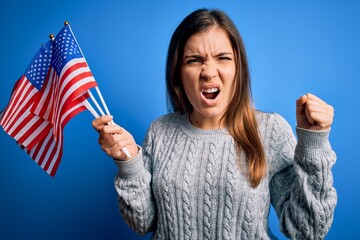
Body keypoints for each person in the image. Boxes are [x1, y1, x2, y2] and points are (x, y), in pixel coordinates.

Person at [92, 8, 337, 240]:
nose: (208, 72)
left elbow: (308, 231)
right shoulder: (160, 131)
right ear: (178, 72)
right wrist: (129, 162)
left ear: (237, 68)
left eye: (222, 58)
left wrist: (314, 145)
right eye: (194, 60)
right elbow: (142, 222)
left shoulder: (269, 131)